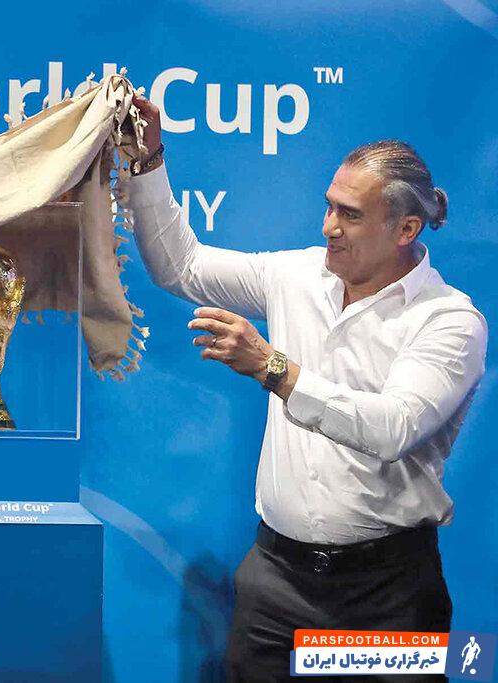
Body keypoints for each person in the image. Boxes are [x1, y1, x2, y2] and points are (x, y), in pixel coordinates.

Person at [128, 96, 487, 682]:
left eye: (350, 215)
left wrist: (272, 367)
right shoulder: (295, 275)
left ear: (406, 229)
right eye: (329, 206)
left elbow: (393, 428)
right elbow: (181, 267)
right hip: (276, 582)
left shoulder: (449, 320)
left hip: (387, 596)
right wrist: (148, 163)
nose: (328, 228)